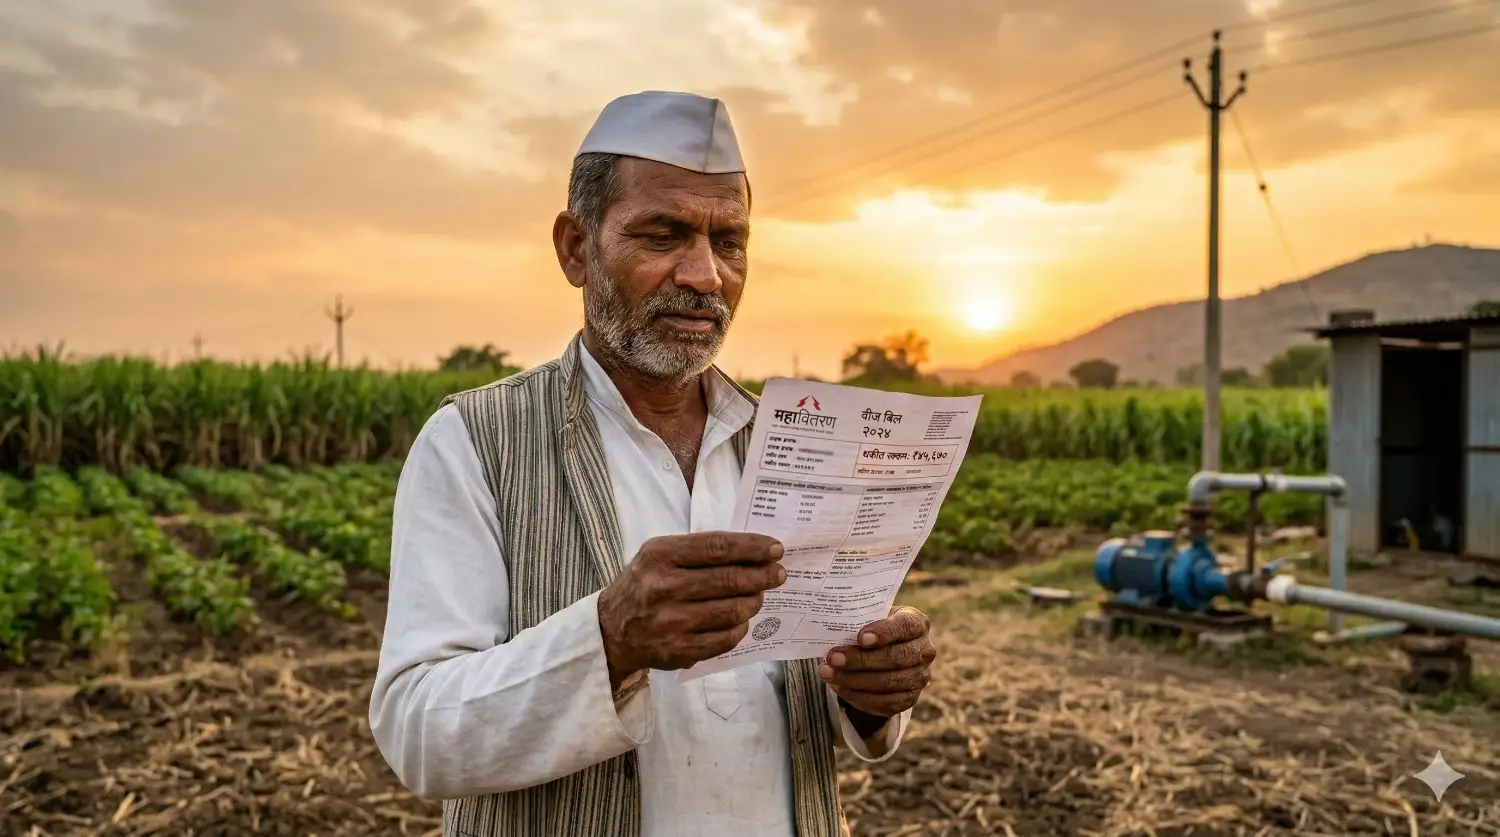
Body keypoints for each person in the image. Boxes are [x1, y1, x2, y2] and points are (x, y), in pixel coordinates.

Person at [369, 90, 939, 837]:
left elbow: (806, 699)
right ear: (577, 249)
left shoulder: (792, 442)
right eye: (664, 234)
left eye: (728, 240)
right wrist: (608, 637)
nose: (705, 274)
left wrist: (869, 691)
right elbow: (417, 732)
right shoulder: (476, 441)